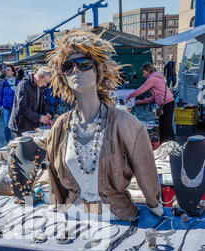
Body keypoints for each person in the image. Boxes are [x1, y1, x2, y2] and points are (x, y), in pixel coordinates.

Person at [46, 31, 164, 222]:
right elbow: (53, 173)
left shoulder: (124, 122)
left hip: (115, 217)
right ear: (62, 75)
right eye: (68, 65)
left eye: (84, 63)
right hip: (74, 218)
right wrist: (59, 203)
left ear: (97, 69)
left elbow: (145, 167)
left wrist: (153, 202)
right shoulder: (60, 127)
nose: (76, 70)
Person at [125, 63, 175, 144]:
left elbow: (141, 89)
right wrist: (142, 101)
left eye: (144, 73)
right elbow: (154, 97)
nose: (143, 75)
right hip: (166, 103)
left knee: (166, 126)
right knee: (163, 125)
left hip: (167, 103)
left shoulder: (152, 78)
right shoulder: (156, 78)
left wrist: (130, 96)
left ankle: (171, 145)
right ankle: (164, 144)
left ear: (148, 71)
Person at [9, 66, 52, 138]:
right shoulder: (23, 84)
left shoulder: (40, 86)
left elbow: (42, 104)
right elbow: (22, 107)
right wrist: (39, 117)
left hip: (31, 124)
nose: (45, 84)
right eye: (44, 81)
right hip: (20, 126)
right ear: (39, 76)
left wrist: (47, 116)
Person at [0, 64, 19, 143]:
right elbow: (0, 95)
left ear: (13, 72)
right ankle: (9, 141)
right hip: (6, 107)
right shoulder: (3, 83)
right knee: (6, 126)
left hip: (15, 108)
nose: (6, 72)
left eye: (8, 70)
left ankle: (16, 139)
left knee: (16, 125)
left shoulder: (18, 82)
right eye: (6, 70)